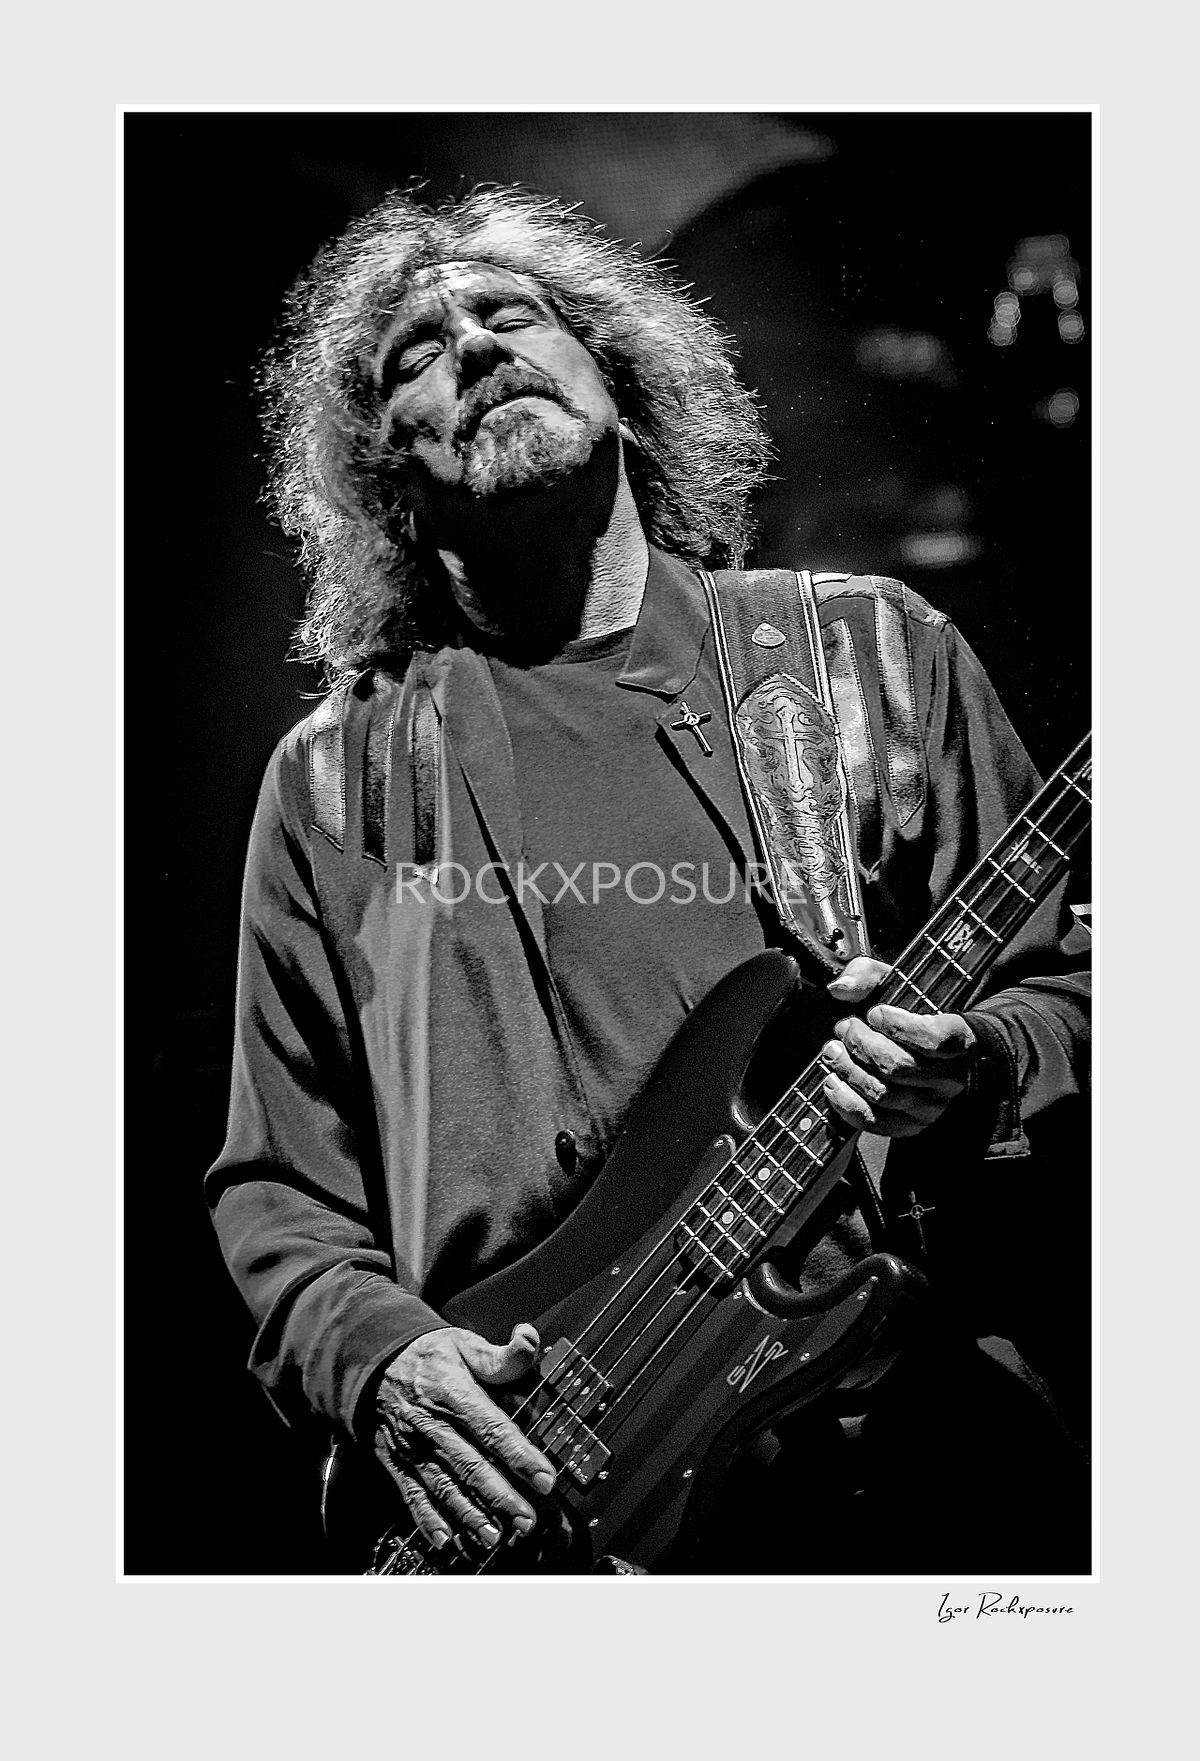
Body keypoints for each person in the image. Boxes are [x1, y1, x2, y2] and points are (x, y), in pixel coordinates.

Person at [206, 186, 1090, 1574]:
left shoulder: (865, 654)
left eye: (513, 315)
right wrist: (383, 1367)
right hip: (542, 1494)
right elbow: (277, 1190)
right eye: (418, 355)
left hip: (892, 1474)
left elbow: (1085, 982)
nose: (475, 346)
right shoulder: (335, 782)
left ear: (616, 378)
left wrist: (975, 1060)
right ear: (385, 470)